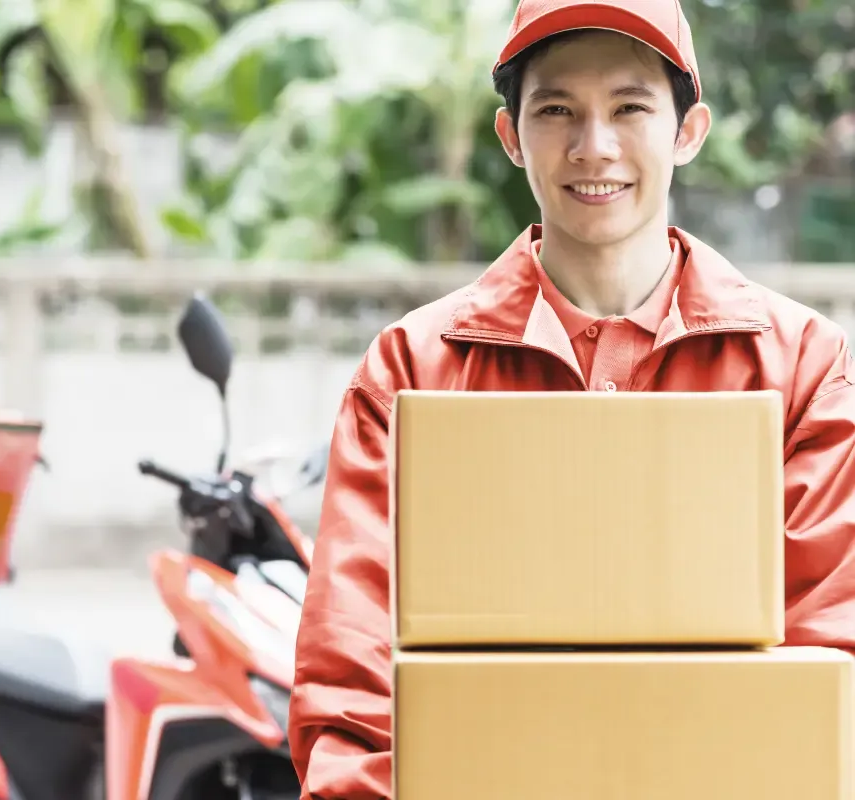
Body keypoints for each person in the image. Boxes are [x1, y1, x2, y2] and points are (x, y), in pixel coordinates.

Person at [287, 0, 855, 797]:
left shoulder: (800, 367)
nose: (595, 147)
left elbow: (828, 662)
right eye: (557, 110)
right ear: (511, 135)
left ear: (688, 131)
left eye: (630, 108)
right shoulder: (410, 372)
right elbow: (353, 693)